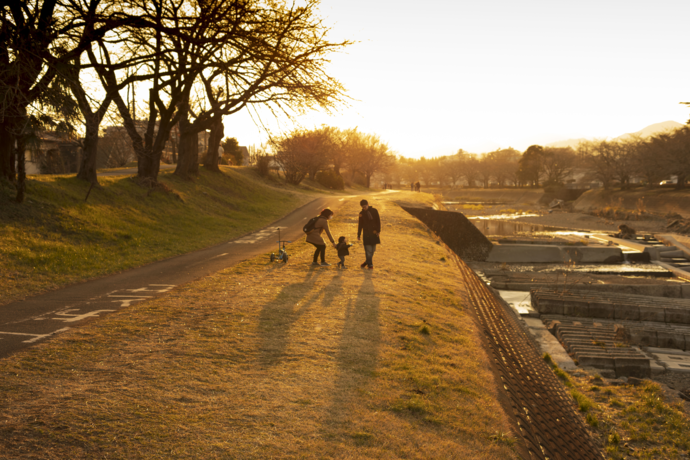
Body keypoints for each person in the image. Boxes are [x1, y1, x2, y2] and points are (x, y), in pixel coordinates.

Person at [357, 199, 381, 269]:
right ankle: (370, 265)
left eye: (365, 206)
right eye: (362, 207)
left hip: (374, 233)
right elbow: (360, 225)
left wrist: (378, 231)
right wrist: (358, 234)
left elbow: (378, 221)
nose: (364, 208)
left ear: (368, 204)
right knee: (368, 251)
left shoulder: (374, 211)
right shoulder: (361, 213)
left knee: (373, 250)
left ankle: (366, 262)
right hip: (366, 234)